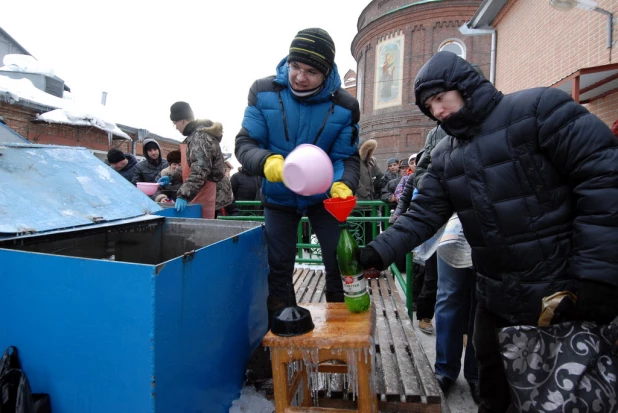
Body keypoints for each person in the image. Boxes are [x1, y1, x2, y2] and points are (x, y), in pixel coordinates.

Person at [359, 51, 618, 412]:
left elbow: (604, 178)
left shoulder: (538, 110)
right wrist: (378, 251)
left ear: (464, 86)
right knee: (494, 393)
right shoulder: (447, 155)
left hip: (561, 294)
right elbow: (421, 216)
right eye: (428, 106)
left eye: (439, 98)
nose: (436, 111)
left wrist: (598, 273)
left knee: (567, 396)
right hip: (495, 297)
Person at [235, 27, 360, 320]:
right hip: (279, 194)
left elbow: (346, 157)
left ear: (326, 72)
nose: (300, 77)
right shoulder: (263, 91)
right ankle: (285, 321)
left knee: (336, 257)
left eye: (312, 71)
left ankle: (340, 321)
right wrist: (266, 162)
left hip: (322, 196)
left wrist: (343, 184)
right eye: (295, 67)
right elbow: (245, 142)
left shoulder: (344, 105)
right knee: (278, 263)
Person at [164, 101, 227, 217]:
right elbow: (190, 166)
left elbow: (200, 170)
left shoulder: (199, 138)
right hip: (201, 191)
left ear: (182, 120)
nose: (176, 127)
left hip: (208, 194)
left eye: (174, 123)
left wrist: (183, 195)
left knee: (203, 232)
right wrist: (171, 177)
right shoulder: (194, 136)